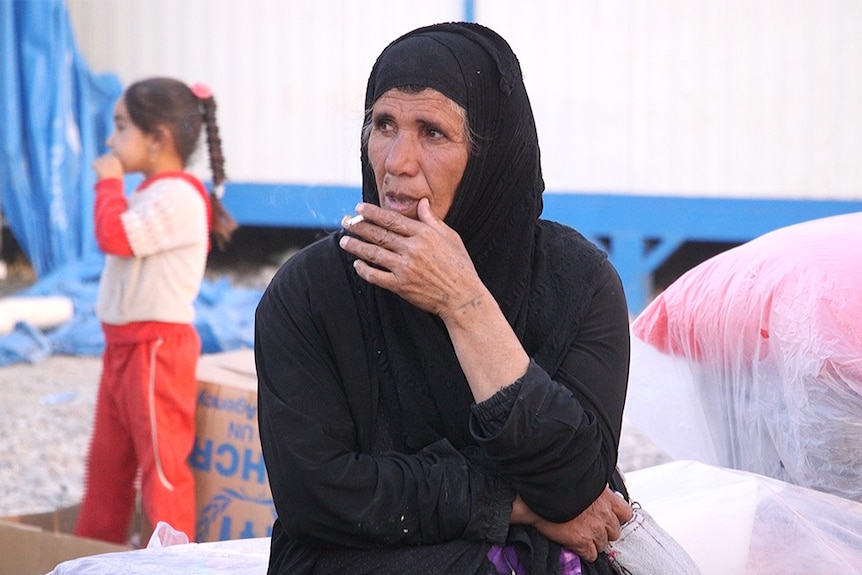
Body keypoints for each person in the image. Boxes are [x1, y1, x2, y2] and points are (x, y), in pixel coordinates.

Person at [256, 22, 633, 575]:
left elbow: (578, 486)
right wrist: (512, 505)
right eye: (384, 125)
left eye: (432, 132)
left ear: (491, 154)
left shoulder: (578, 283)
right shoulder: (310, 293)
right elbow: (318, 495)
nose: (396, 162)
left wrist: (464, 303)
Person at [74, 77, 236, 544]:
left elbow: (116, 237)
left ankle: (170, 562)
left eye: (121, 126)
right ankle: (91, 553)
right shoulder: (153, 191)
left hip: (156, 351)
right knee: (106, 465)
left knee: (161, 469)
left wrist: (107, 186)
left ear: (157, 138)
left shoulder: (179, 196)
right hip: (123, 347)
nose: (110, 140)